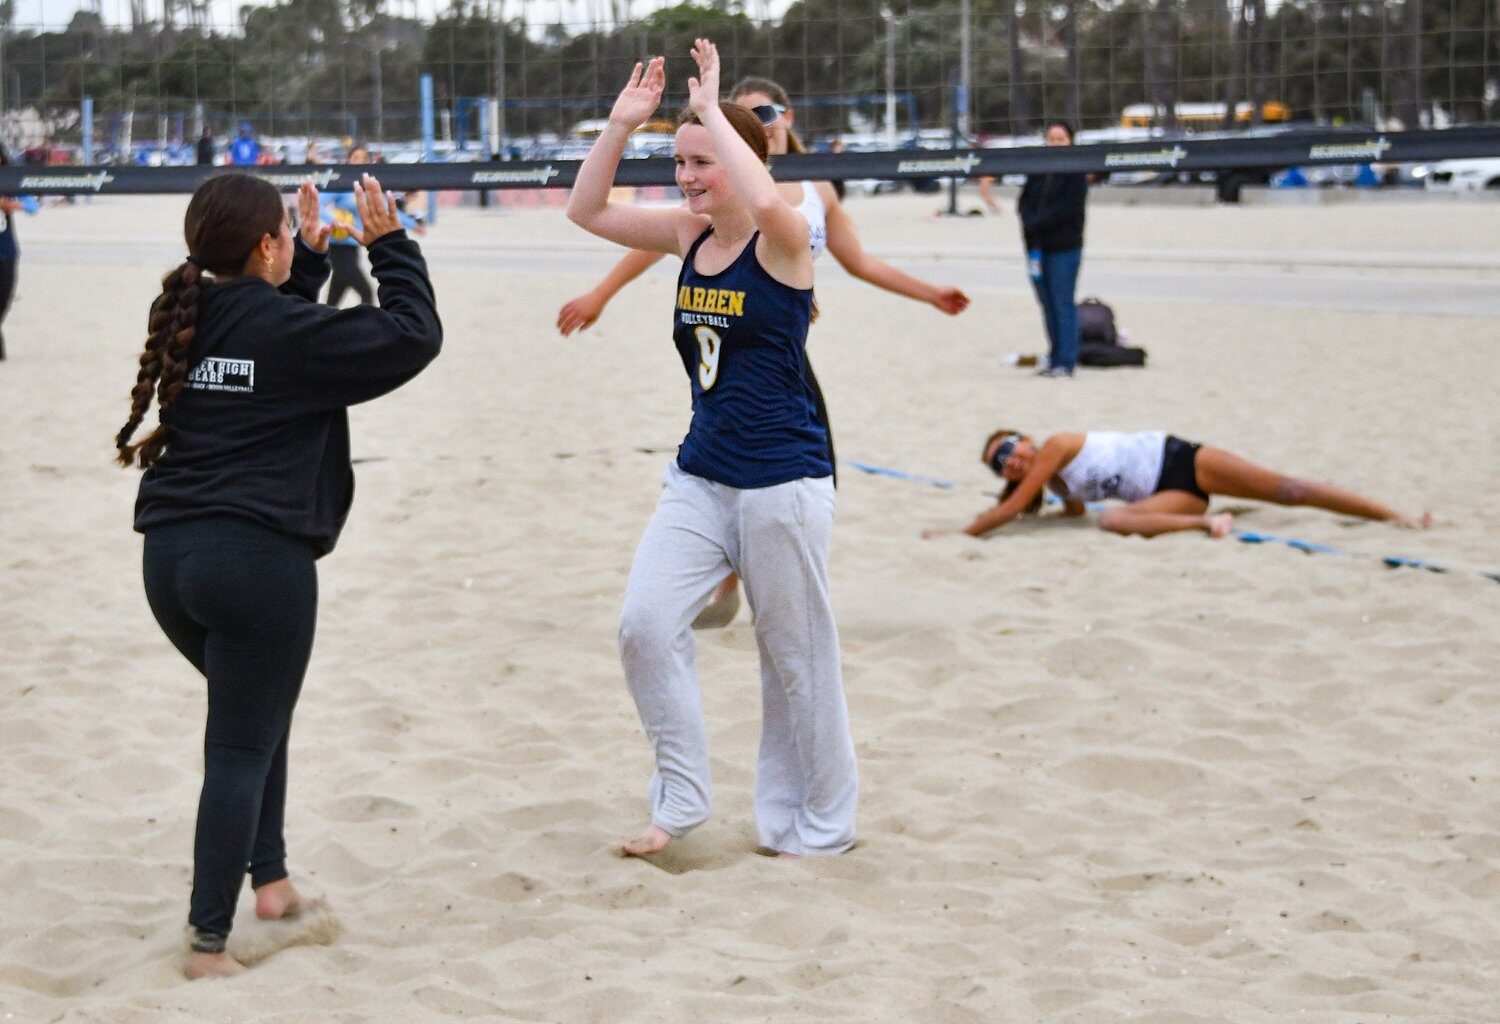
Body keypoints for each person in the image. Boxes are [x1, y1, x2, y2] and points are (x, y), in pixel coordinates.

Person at [114, 172, 441, 978]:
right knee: (237, 745)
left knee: (255, 717)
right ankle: (207, 947)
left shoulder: (190, 314)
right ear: (266, 244)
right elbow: (412, 337)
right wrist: (391, 245)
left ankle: (274, 881)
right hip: (256, 565)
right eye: (285, 237)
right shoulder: (290, 334)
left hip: (171, 565)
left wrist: (305, 266)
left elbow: (267, 338)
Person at [567, 41, 858, 858]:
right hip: (699, 476)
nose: (687, 176)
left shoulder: (786, 238)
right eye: (679, 161)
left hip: (785, 482)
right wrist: (622, 127)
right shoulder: (687, 236)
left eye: (701, 160)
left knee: (796, 664)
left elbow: (766, 204)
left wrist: (710, 109)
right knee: (645, 627)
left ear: (742, 160)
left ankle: (818, 826)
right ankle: (683, 799)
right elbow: (586, 212)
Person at [560, 73, 970, 627]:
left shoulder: (810, 192)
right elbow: (658, 240)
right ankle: (726, 579)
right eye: (741, 113)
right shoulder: (712, 205)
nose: (753, 121)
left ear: (783, 121)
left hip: (779, 340)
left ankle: (782, 583)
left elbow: (859, 261)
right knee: (726, 456)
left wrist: (928, 293)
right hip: (731, 329)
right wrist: (601, 292)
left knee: (794, 468)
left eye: (765, 112)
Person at [936, 428, 1430, 539]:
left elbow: (1006, 511)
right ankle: (1207, 523)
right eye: (1000, 462)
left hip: (1180, 459)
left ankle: (1396, 516)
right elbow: (1063, 510)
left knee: (1288, 490)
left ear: (1026, 439)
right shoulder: (1058, 485)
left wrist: (955, 534)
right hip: (1165, 496)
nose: (1012, 458)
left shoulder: (1055, 446)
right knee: (1111, 519)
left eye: (1010, 446)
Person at [981, 121, 1088, 378]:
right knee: (1047, 304)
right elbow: (1024, 203)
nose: (1055, 143)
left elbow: (1066, 210)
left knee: (1063, 304)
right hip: (1036, 248)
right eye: (1052, 139)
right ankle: (1054, 357)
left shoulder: (1076, 173)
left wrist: (1035, 222)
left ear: (1071, 141)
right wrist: (1030, 228)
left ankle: (1066, 361)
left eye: (1061, 139)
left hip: (1064, 248)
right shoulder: (1038, 170)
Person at [321, 144, 421, 306]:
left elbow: (389, 209)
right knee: (366, 293)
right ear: (348, 161)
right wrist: (334, 221)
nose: (360, 162)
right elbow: (317, 205)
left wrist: (413, 225)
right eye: (356, 158)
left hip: (354, 247)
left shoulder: (368, 186)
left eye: (364, 159)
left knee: (332, 301)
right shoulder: (341, 184)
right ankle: (365, 330)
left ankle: (322, 327)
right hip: (338, 248)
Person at [0, 147, 38, 361]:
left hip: (6, 249)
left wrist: (11, 204)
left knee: (4, 298)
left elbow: (32, 205)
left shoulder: (9, 180)